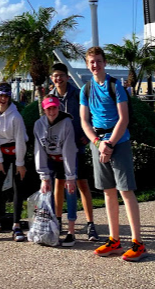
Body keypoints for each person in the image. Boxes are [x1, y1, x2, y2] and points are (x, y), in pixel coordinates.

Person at [80, 46, 147, 262]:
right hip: (98, 143)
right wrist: (99, 143)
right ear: (87, 64)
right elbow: (84, 120)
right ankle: (114, 240)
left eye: (98, 61)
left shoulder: (115, 85)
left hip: (119, 142)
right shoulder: (86, 89)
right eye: (91, 61)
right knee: (108, 191)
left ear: (104, 62)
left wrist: (109, 144)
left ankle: (137, 242)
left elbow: (123, 118)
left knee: (125, 190)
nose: (95, 65)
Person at [49, 62, 99, 241]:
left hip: (77, 146)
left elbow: (91, 113)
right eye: (55, 75)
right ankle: (58, 220)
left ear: (67, 77)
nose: (58, 78)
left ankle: (90, 223)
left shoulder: (78, 94)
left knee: (82, 184)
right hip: (59, 150)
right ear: (52, 78)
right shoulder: (50, 97)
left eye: (61, 75)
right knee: (59, 183)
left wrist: (89, 133)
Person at [0, 82, 28, 242]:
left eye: (6, 96)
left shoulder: (16, 116)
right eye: (0, 95)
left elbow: (20, 140)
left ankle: (16, 225)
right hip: (1, 152)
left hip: (17, 151)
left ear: (9, 98)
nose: (3, 99)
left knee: (18, 187)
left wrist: (20, 163)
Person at [34, 94, 78, 247]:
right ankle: (52, 228)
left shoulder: (66, 123)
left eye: (54, 108)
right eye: (48, 109)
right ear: (44, 110)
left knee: (70, 192)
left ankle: (71, 232)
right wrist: (44, 177)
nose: (52, 111)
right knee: (48, 193)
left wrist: (70, 177)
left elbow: (69, 150)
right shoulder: (39, 125)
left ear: (58, 107)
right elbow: (39, 150)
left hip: (65, 158)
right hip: (50, 160)